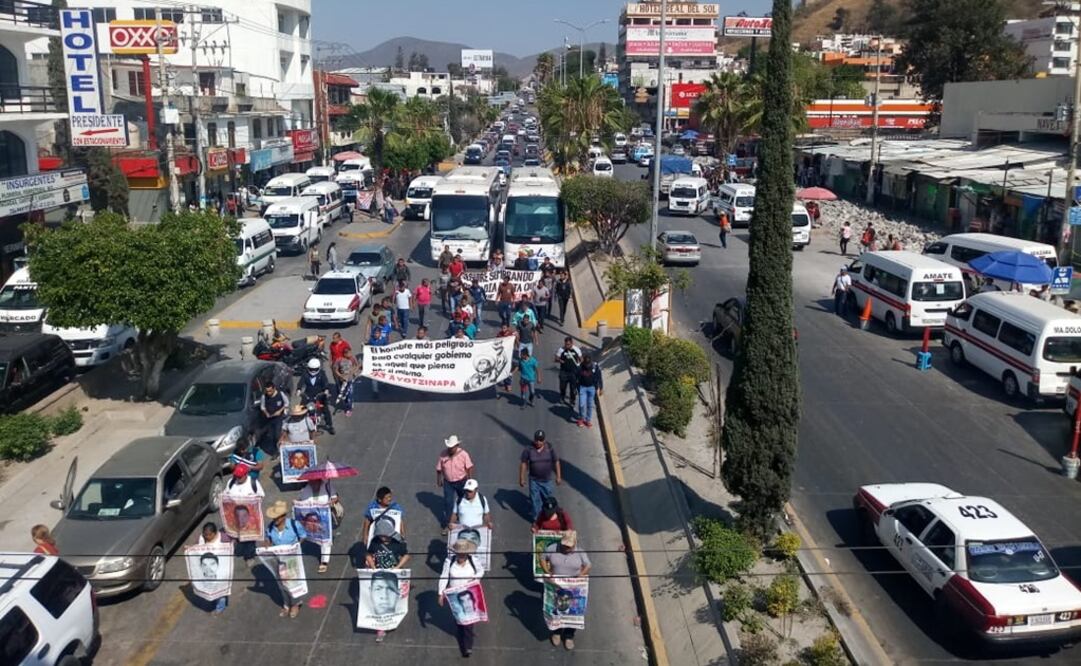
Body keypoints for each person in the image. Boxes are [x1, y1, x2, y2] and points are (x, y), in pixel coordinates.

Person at [541, 531, 591, 650]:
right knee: (557, 610)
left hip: (572, 588)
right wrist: (547, 572)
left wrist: (580, 576)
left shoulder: (580, 553)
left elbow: (588, 565)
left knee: (572, 612)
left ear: (575, 544)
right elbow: (542, 557)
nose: (566, 548)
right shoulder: (552, 548)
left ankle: (569, 635)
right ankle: (557, 632)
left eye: (569, 547)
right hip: (556, 588)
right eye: (564, 545)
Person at [438, 539, 485, 658]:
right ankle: (461, 631)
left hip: (470, 594)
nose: (461, 556)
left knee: (469, 622)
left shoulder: (474, 561)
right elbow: (444, 576)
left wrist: (474, 579)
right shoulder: (449, 561)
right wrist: (440, 594)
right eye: (458, 553)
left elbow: (481, 571)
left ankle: (467, 646)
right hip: (454, 595)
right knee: (459, 618)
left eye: (463, 554)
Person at [264, 500, 307, 618]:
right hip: (279, 559)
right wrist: (267, 543)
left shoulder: (294, 525)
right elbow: (268, 538)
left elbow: (303, 536)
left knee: (293, 583)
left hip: (292, 559)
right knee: (282, 583)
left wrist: (297, 545)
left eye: (278, 517)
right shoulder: (271, 527)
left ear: (283, 516)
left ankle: (295, 604)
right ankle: (286, 604)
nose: (275, 520)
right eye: (274, 517)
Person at [299, 478, 340, 573]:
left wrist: (332, 501)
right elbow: (301, 501)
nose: (313, 484)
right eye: (311, 482)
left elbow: (336, 497)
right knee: (315, 536)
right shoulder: (306, 490)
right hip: (312, 519)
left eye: (315, 482)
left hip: (325, 518)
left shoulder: (327, 486)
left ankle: (324, 561)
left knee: (325, 539)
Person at [519, 430, 562, 520]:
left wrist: (558, 476)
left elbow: (556, 461)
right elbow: (523, 463)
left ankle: (549, 518)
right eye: (537, 440)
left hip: (547, 481)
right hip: (534, 481)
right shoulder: (529, 449)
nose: (538, 442)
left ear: (544, 440)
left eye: (541, 440)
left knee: (548, 501)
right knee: (535, 501)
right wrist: (521, 478)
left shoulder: (549, 449)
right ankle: (537, 520)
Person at [436, 435, 475, 535]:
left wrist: (470, 480)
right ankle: (450, 525)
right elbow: (439, 469)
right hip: (448, 482)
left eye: (452, 447)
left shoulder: (464, 454)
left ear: (457, 445)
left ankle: (465, 522)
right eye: (449, 446)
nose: (450, 448)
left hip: (462, 481)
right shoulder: (443, 454)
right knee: (448, 503)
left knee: (464, 501)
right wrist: (439, 479)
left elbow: (469, 467)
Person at [197, 522, 231, 615]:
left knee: (220, 589)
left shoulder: (223, 538)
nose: (207, 537)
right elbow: (198, 549)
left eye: (209, 535)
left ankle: (220, 607)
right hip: (208, 571)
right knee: (211, 587)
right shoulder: (202, 538)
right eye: (205, 534)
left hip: (221, 569)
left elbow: (230, 549)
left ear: (215, 533)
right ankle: (213, 598)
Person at [299, 358, 335, 435]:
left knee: (325, 409)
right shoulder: (305, 373)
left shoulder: (322, 373)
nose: (313, 371)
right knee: (301, 408)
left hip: (320, 395)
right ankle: (299, 424)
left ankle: (329, 425)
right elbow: (301, 382)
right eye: (311, 369)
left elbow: (325, 382)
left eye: (315, 369)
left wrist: (326, 390)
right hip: (308, 394)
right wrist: (298, 389)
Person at [259, 382, 289, 453]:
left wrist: (280, 411)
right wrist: (266, 413)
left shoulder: (280, 394)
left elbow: (286, 403)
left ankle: (282, 449)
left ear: (274, 388)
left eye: (270, 391)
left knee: (277, 434)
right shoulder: (264, 396)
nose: (268, 393)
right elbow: (262, 407)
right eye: (267, 391)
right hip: (269, 418)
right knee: (271, 436)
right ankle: (275, 451)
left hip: (279, 418)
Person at [575, 354, 603, 428]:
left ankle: (588, 420)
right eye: (586, 364)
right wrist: (575, 388)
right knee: (582, 404)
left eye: (588, 364)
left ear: (591, 362)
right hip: (582, 388)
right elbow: (576, 378)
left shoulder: (595, 367)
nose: (587, 366)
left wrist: (601, 388)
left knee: (590, 405)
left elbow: (599, 377)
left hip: (592, 388)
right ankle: (581, 418)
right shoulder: (580, 367)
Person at [555, 337, 582, 406]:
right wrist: (560, 361)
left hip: (573, 372)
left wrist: (579, 365)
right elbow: (556, 358)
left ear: (572, 343)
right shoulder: (561, 350)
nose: (567, 346)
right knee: (562, 387)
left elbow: (581, 358)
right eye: (566, 344)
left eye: (568, 344)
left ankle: (572, 400)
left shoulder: (576, 349)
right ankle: (562, 396)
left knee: (573, 388)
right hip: (564, 372)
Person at [331, 352, 358, 417]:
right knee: (344, 395)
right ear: (345, 354)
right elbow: (335, 370)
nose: (350, 354)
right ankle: (347, 403)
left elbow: (356, 365)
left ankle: (348, 409)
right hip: (342, 381)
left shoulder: (352, 358)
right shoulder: (339, 360)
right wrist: (341, 376)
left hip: (350, 380)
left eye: (350, 353)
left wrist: (354, 372)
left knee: (350, 394)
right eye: (349, 353)